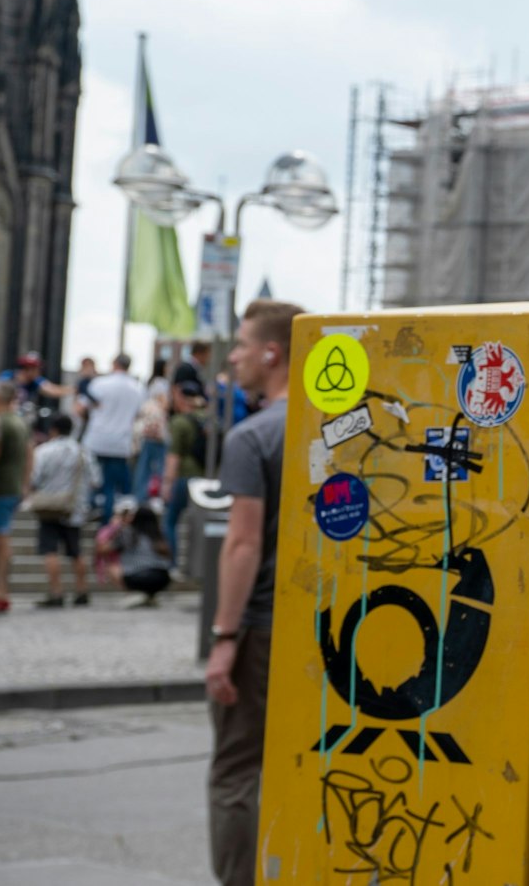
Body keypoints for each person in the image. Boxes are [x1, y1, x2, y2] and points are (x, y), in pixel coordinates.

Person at [206, 298, 301, 886]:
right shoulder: (343, 429)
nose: (234, 357)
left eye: (242, 345)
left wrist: (223, 637)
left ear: (273, 353)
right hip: (327, 628)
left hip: (262, 627)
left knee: (237, 769)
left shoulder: (253, 436)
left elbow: (243, 544)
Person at [27, 413, 97, 607]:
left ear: (53, 429)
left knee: (49, 549)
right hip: (74, 508)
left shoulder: (44, 451)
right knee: (76, 551)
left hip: (49, 506)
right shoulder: (83, 451)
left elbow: (33, 478)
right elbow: (95, 480)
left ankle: (56, 593)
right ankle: (82, 591)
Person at [80, 354, 144, 526]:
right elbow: (138, 414)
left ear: (114, 364)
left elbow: (82, 407)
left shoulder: (100, 384)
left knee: (91, 480)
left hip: (96, 439)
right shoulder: (137, 387)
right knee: (111, 487)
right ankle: (106, 524)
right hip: (120, 443)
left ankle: (89, 510)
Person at [162, 379, 212, 561]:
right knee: (199, 524)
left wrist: (167, 482)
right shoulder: (208, 418)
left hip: (184, 477)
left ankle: (172, 562)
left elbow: (173, 455)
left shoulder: (179, 422)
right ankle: (198, 565)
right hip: (206, 477)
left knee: (170, 521)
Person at [0, 381, 29, 614]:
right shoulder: (20, 422)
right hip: (13, 487)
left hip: (0, 487)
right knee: (3, 539)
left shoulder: (2, 422)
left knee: (1, 541)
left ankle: (1, 591)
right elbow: (31, 454)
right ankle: (3, 591)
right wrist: (25, 484)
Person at [108, 500, 173, 607]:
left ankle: (134, 594)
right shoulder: (158, 534)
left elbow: (105, 548)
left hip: (137, 577)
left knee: (112, 567)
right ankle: (149, 596)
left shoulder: (128, 533)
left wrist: (114, 527)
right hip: (162, 577)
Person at [131, 359, 171, 501]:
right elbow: (165, 405)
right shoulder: (161, 383)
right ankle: (152, 496)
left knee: (144, 467)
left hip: (147, 432)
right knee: (158, 467)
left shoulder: (150, 382)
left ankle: (140, 496)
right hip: (157, 432)